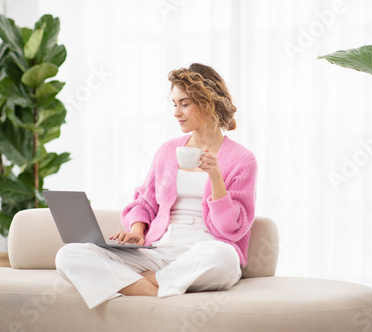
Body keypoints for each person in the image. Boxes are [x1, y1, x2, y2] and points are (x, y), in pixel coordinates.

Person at [55, 63, 258, 309]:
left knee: (225, 259)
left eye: (184, 104)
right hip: (160, 251)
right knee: (69, 255)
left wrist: (217, 179)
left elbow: (232, 229)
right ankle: (152, 287)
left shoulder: (242, 160)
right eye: (174, 104)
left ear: (208, 102)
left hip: (204, 250)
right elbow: (145, 202)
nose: (176, 112)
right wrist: (138, 231)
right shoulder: (167, 151)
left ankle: (127, 284)